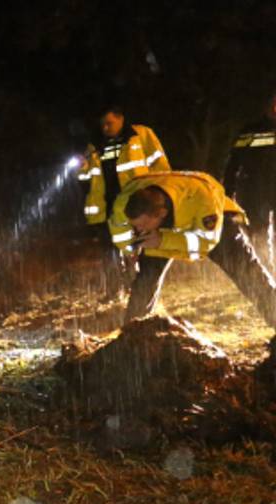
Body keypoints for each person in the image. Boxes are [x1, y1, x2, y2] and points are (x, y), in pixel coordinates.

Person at [107, 170, 276, 330]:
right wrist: (131, 248)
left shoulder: (203, 198)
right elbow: (120, 234)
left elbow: (206, 243)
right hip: (161, 232)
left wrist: (163, 240)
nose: (138, 229)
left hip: (213, 227)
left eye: (142, 225)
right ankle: (133, 338)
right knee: (145, 283)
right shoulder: (124, 204)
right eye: (135, 225)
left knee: (249, 274)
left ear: (161, 214)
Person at [76, 106, 172, 294]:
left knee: (142, 247)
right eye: (102, 124)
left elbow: (161, 168)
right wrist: (82, 168)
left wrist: (161, 196)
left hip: (138, 204)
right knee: (109, 251)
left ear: (121, 119)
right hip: (106, 207)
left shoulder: (141, 135)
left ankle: (140, 289)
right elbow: (85, 182)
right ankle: (115, 291)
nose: (105, 128)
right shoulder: (94, 146)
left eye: (109, 123)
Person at [223, 91, 276, 268]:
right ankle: (263, 270)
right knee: (256, 231)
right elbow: (233, 163)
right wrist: (227, 193)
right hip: (254, 190)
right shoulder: (250, 131)